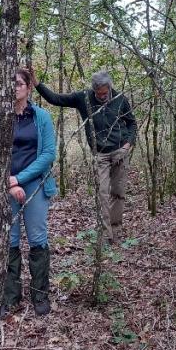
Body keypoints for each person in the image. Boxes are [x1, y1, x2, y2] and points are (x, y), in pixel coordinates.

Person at [0, 69, 57, 316]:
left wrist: (20, 179)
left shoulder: (41, 117)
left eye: (19, 83)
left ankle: (40, 296)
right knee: (9, 240)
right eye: (10, 83)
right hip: (3, 185)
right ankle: (10, 297)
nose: (14, 87)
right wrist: (9, 182)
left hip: (35, 182)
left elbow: (48, 154)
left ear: (27, 87)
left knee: (37, 238)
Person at [35, 70, 135, 244]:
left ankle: (116, 232)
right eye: (99, 94)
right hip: (101, 154)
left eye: (105, 93)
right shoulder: (85, 98)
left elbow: (132, 122)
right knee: (102, 194)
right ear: (93, 90)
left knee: (118, 193)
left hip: (120, 150)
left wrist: (128, 145)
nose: (102, 96)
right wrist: (37, 84)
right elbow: (56, 99)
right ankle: (106, 235)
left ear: (109, 87)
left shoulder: (120, 99)